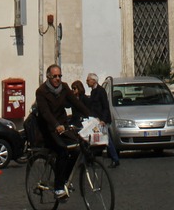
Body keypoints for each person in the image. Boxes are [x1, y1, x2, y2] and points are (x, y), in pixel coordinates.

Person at [35, 64, 92, 200]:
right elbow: (45, 112)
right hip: (48, 129)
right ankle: (58, 188)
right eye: (54, 76)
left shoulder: (64, 87)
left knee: (77, 148)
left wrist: (91, 116)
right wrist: (55, 125)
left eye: (59, 76)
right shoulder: (41, 91)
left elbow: (76, 103)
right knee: (62, 151)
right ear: (49, 77)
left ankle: (64, 179)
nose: (57, 79)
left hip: (63, 126)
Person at [86, 73, 119, 167]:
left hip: (102, 120)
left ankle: (115, 159)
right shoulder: (93, 91)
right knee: (97, 138)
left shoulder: (101, 91)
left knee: (107, 139)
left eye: (88, 80)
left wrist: (103, 120)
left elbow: (105, 106)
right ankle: (93, 159)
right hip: (96, 120)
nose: (87, 82)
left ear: (93, 81)